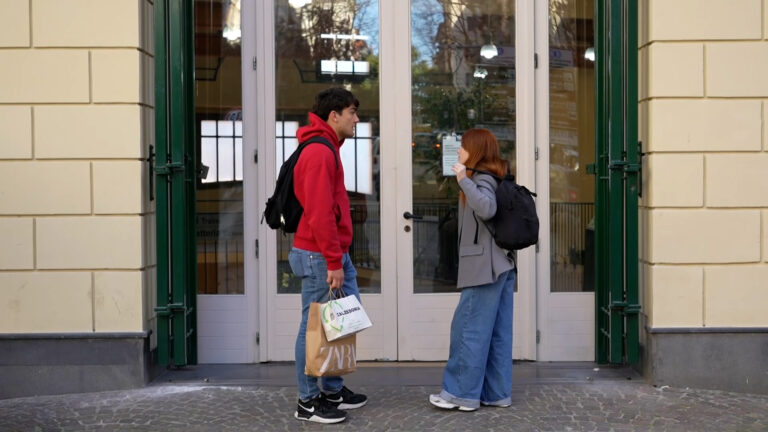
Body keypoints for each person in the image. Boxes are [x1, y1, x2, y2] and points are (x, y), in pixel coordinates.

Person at [289, 88, 368, 424]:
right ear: (334, 115)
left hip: (333, 252)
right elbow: (320, 213)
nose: (356, 118)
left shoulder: (329, 148)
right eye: (352, 111)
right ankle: (307, 401)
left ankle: (332, 389)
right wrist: (333, 262)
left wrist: (339, 257)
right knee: (315, 327)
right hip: (320, 255)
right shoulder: (320, 152)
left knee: (341, 320)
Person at [429, 128, 516, 412]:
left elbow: (487, 208)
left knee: (469, 330)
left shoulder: (481, 179)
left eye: (463, 147)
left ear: (475, 150)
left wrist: (463, 180)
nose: (458, 152)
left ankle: (460, 394)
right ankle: (496, 393)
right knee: (497, 334)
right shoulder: (495, 177)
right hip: (500, 265)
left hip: (485, 268)